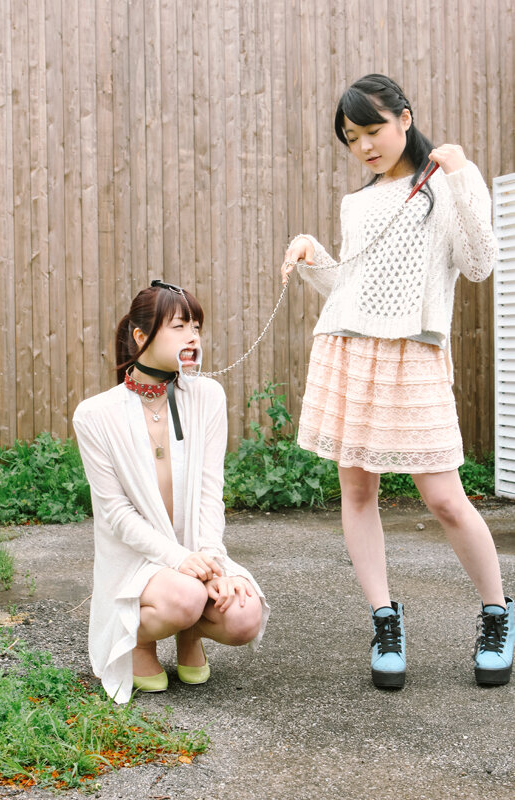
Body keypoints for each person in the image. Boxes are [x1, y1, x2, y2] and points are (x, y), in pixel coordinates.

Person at [281, 74, 513, 689]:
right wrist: (312, 255)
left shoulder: (444, 184)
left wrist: (462, 176)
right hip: (351, 350)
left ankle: (498, 613)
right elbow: (352, 290)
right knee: (357, 492)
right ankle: (385, 619)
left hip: (415, 354)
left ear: (405, 118)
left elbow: (480, 263)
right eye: (351, 137)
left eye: (373, 129)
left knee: (445, 498)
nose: (364, 146)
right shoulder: (356, 204)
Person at [73, 281, 268, 703]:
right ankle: (139, 644)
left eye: (196, 327)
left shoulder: (207, 396)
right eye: (179, 327)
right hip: (138, 561)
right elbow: (116, 514)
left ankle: (188, 634)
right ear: (140, 336)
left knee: (244, 613)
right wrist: (179, 560)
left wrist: (212, 561)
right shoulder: (95, 415)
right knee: (186, 595)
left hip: (195, 554)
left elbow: (210, 492)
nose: (193, 337)